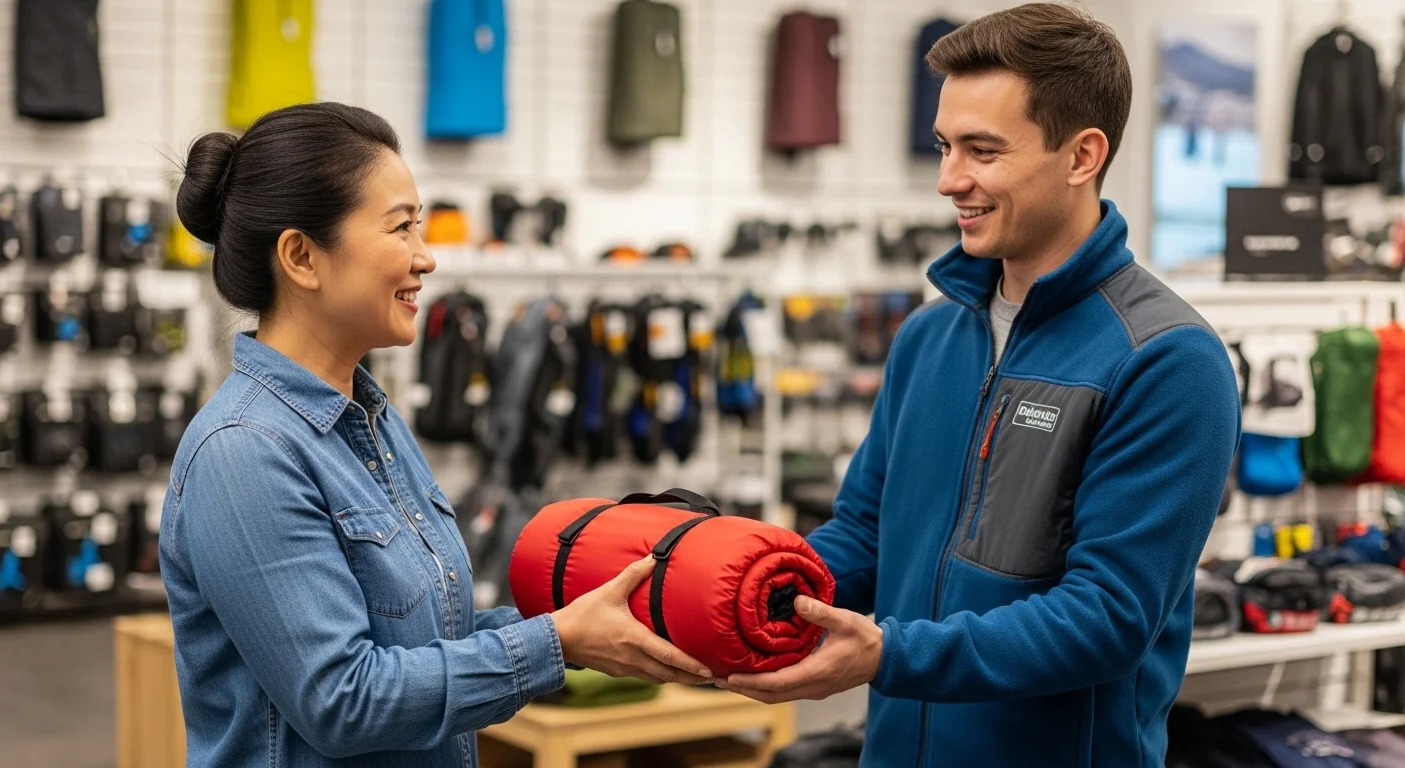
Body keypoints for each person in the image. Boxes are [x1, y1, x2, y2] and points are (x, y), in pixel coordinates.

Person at [716, 5, 1241, 767]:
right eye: (945, 146)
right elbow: (864, 534)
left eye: (982, 151)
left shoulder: (1166, 360)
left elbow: (1107, 617)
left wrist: (888, 655)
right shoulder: (930, 337)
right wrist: (746, 594)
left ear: (1082, 155)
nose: (948, 179)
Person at [159, 102, 712, 768]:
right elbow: (343, 699)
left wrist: (577, 629)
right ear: (302, 256)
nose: (427, 259)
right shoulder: (245, 452)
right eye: (401, 229)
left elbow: (424, 640)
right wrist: (553, 645)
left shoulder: (372, 421)